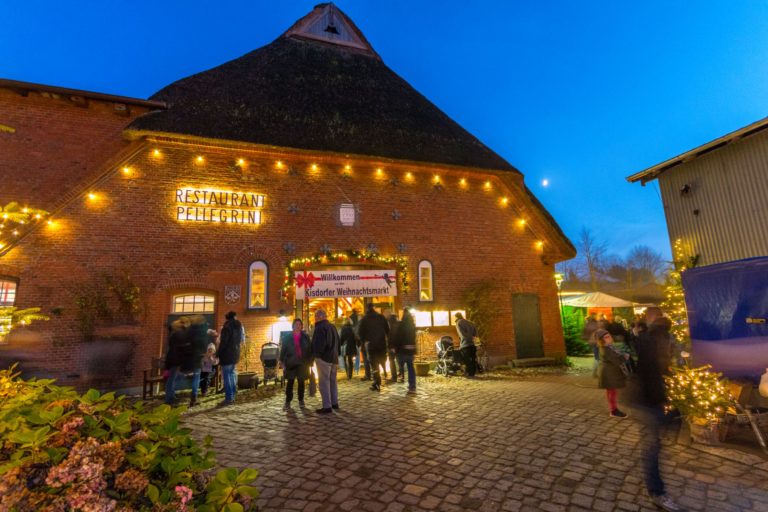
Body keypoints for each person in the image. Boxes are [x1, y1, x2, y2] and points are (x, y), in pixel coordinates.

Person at [623, 307, 682, 512]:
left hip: (645, 397)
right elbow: (653, 369)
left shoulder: (650, 338)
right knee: (651, 446)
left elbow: (642, 365)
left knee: (652, 443)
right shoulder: (662, 338)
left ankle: (656, 489)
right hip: (646, 399)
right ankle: (656, 492)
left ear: (650, 318)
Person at [595, 328, 629, 418]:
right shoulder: (605, 349)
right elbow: (616, 361)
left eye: (609, 335)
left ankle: (613, 409)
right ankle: (614, 410)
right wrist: (625, 357)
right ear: (602, 340)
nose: (609, 337)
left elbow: (616, 355)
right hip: (608, 374)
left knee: (611, 391)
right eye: (606, 337)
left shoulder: (609, 346)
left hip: (609, 373)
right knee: (612, 392)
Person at [311, 309, 340, 414]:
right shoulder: (332, 327)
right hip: (334, 358)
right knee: (333, 381)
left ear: (320, 317)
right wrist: (337, 354)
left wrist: (316, 355)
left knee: (324, 382)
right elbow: (338, 341)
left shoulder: (319, 328)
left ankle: (327, 406)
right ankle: (334, 403)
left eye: (316, 316)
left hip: (324, 359)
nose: (315, 318)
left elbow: (320, 345)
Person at [279, 318, 312, 409]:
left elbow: (310, 350)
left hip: (302, 363)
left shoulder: (305, 337)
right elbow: (283, 350)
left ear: (301, 326)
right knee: (290, 382)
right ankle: (288, 401)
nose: (298, 326)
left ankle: (301, 400)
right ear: (293, 326)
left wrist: (310, 361)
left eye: (299, 324)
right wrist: (282, 362)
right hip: (291, 363)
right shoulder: (287, 337)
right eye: (296, 324)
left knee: (301, 383)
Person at [358, 303, 390, 391]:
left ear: (366, 309)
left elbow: (360, 333)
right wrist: (386, 339)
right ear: (374, 308)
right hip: (381, 344)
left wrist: (364, 341)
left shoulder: (364, 319)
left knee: (374, 364)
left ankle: (377, 382)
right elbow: (387, 330)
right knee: (380, 360)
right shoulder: (381, 317)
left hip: (371, 345)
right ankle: (380, 376)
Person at [217, 311, 243, 406]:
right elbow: (240, 340)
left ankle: (229, 398)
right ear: (234, 317)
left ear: (227, 318)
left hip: (227, 354)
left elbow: (224, 342)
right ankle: (233, 395)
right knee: (232, 374)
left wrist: (218, 353)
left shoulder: (227, 327)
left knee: (227, 376)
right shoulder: (239, 327)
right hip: (235, 353)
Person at [164, 317, 189, 405]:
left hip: (173, 358)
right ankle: (169, 398)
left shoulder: (174, 333)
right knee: (173, 379)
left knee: (175, 378)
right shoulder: (179, 333)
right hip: (176, 359)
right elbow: (182, 346)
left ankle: (171, 396)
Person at [393, 307, 417, 394]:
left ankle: (401, 375)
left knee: (400, 364)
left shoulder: (401, 325)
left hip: (402, 349)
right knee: (411, 368)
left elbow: (397, 337)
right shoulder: (412, 325)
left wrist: (396, 348)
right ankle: (412, 387)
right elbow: (414, 338)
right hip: (411, 349)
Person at [454, 312, 478, 378]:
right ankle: (473, 374)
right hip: (473, 345)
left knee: (466, 360)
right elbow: (476, 335)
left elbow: (462, 335)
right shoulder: (471, 323)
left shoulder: (458, 323)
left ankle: (469, 374)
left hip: (465, 344)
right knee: (473, 359)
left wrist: (462, 343)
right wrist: (476, 343)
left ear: (456, 317)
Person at [387, 313, 400, 383]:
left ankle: (394, 377)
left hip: (392, 346)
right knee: (399, 361)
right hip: (399, 347)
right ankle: (401, 375)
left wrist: (390, 346)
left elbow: (389, 337)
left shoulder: (389, 326)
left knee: (392, 361)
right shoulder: (399, 325)